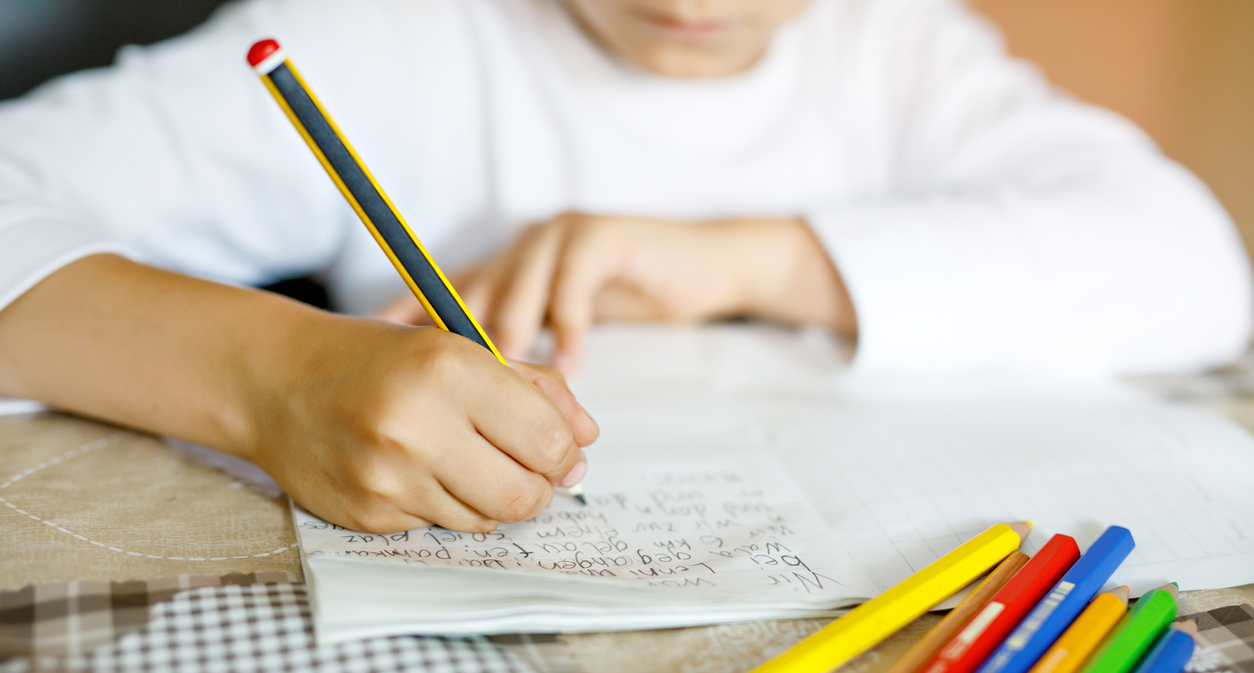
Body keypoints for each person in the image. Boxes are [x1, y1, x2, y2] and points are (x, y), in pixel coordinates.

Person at [0, 0, 1249, 533]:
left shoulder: (895, 44)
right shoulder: (388, 35)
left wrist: (752, 261)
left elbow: (1193, 265)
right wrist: (268, 374)